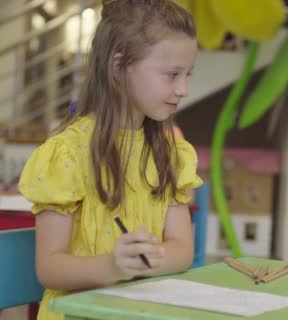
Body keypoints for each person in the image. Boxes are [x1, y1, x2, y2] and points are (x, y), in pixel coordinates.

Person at [18, 1, 202, 319]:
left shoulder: (172, 155)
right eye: (172, 75)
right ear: (118, 67)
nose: (183, 88)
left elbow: (182, 250)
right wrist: (112, 266)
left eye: (187, 75)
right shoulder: (66, 155)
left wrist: (143, 259)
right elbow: (49, 268)